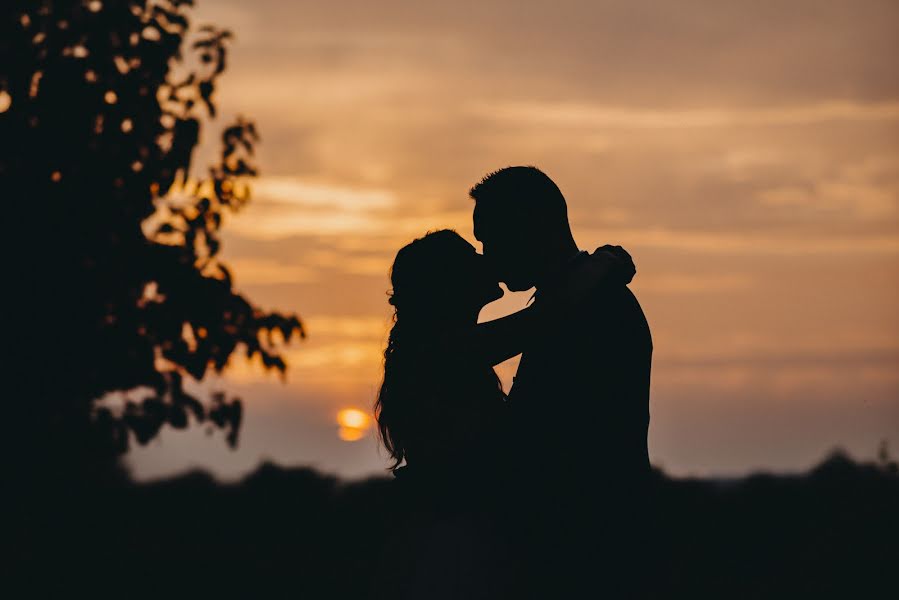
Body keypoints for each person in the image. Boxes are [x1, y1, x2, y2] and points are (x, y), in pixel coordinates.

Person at [371, 229, 636, 599]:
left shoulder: (440, 349)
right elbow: (542, 321)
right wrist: (601, 265)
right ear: (450, 282)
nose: (485, 259)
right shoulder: (441, 352)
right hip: (452, 549)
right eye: (472, 256)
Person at [471, 166, 653, 598]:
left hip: (582, 548)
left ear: (531, 224)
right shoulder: (577, 298)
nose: (487, 257)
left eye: (490, 238)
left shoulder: (597, 306)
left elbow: (572, 438)